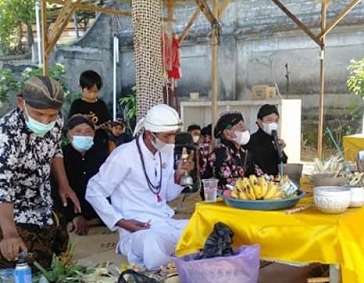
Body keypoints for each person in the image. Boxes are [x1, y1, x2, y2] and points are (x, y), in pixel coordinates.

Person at [0, 76, 81, 270]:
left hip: (38, 197)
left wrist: (64, 184)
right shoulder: (5, 134)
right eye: (38, 114)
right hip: (3, 202)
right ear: (21, 102)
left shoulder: (57, 119)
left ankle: (13, 236)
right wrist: (10, 234)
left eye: (51, 115)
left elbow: (55, 150)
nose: (46, 121)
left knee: (60, 252)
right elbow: (1, 188)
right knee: (31, 260)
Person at [85, 104, 194, 270]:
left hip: (165, 223)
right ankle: (172, 266)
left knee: (204, 227)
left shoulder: (164, 151)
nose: (172, 141)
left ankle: (176, 261)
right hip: (138, 232)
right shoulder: (124, 155)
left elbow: (164, 195)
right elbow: (93, 191)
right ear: (150, 134)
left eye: (175, 135)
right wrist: (121, 222)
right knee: (152, 242)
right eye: (167, 136)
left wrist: (178, 176)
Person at [51, 114, 109, 235]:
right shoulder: (59, 158)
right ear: (68, 134)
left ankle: (92, 221)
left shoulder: (102, 156)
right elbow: (56, 190)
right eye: (78, 131)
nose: (83, 135)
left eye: (88, 131)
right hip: (68, 208)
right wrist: (75, 216)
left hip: (97, 209)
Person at [201, 112, 262, 190]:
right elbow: (227, 184)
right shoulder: (220, 153)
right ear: (227, 133)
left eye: (244, 126)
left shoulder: (243, 153)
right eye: (240, 126)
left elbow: (258, 175)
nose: (245, 130)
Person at [247, 104, 287, 176]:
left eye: (276, 121)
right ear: (260, 122)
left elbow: (282, 166)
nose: (273, 123)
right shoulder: (251, 140)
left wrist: (280, 151)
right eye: (269, 120)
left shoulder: (274, 140)